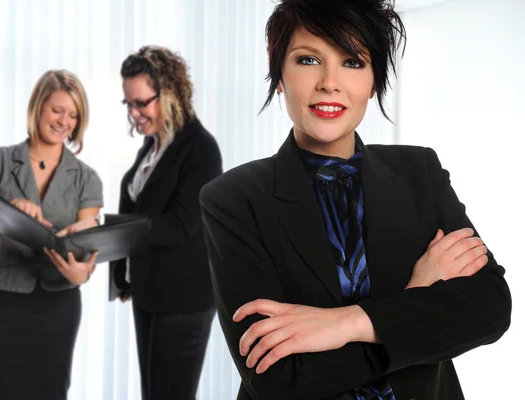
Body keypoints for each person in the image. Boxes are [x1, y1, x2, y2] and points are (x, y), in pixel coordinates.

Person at [199, 1, 512, 399]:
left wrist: (348, 323)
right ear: (279, 73)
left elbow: (489, 310)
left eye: (352, 62)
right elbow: (278, 378)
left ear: (375, 79)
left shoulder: (421, 171)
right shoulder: (232, 199)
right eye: (308, 59)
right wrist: (414, 303)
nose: (330, 82)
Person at [0, 69, 103, 400]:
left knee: (49, 393)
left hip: (58, 305)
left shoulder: (86, 178)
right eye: (56, 110)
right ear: (38, 107)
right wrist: (6, 209)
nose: (63, 121)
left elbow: (87, 248)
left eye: (73, 114)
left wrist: (82, 272)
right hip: (3, 301)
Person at [112, 46, 222, 400]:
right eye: (128, 104)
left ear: (170, 93)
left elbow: (178, 224)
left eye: (141, 102)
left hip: (182, 302)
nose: (134, 113)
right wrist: (121, 271)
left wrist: (108, 234)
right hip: (149, 292)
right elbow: (139, 207)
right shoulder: (154, 144)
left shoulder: (201, 149)